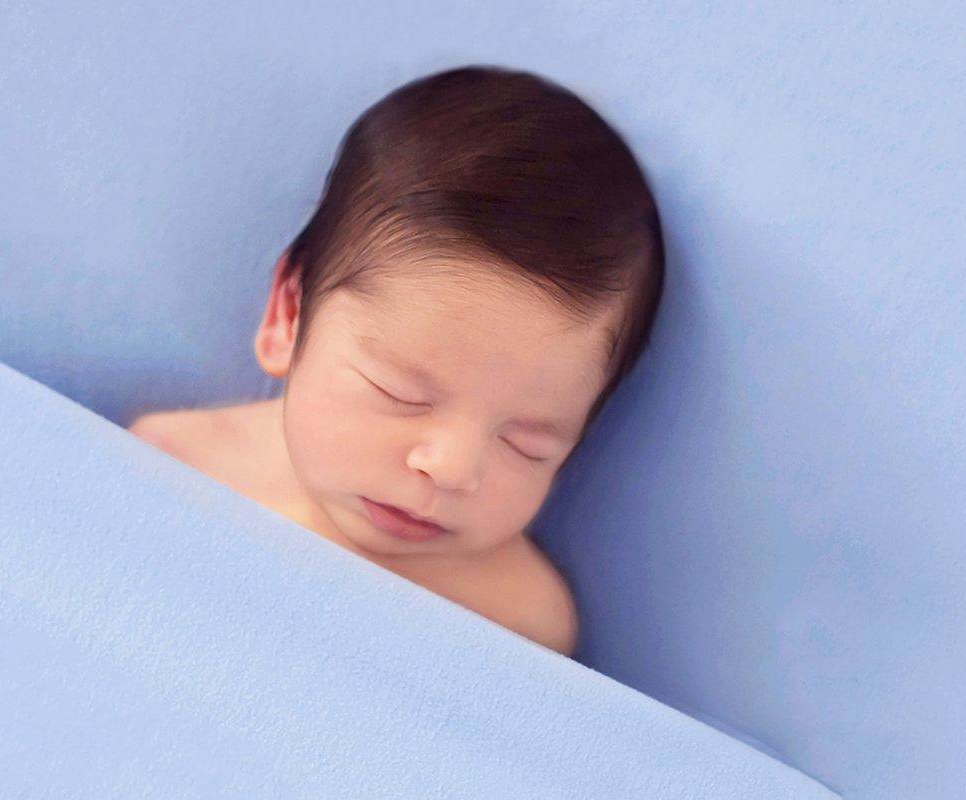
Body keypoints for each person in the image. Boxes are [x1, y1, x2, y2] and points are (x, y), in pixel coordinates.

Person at [129, 66, 664, 657]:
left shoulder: (518, 620)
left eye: (526, 444)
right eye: (400, 394)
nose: (451, 468)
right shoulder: (168, 469)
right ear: (289, 316)